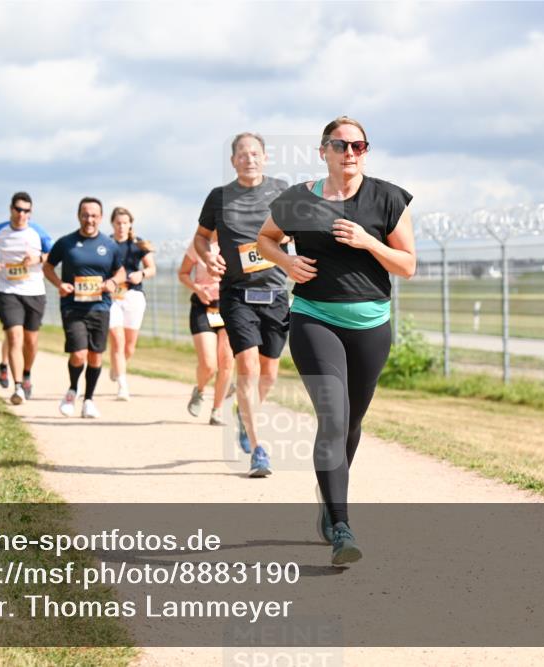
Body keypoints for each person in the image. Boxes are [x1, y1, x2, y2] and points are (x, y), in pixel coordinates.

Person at [258, 116, 416, 566]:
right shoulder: (298, 199)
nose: (350, 153)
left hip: (371, 324)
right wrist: (286, 262)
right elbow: (264, 239)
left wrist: (369, 242)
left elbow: (407, 265)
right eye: (340, 145)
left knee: (351, 423)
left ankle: (329, 496)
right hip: (315, 318)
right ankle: (342, 526)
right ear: (323, 151)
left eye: (358, 146)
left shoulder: (388, 198)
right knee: (332, 417)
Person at [194, 132, 289, 478]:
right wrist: (208, 257)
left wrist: (289, 235)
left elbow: (299, 229)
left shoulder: (281, 190)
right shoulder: (219, 197)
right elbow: (201, 237)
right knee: (247, 367)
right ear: (233, 160)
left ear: (265, 157)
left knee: (269, 374)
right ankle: (258, 448)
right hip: (236, 294)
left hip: (275, 293)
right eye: (242, 154)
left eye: (255, 153)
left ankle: (243, 413)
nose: (249, 159)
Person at [43, 197, 125, 419]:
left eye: (94, 216)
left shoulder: (110, 245)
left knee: (95, 357)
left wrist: (113, 282)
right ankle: (72, 391)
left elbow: (121, 272)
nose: (89, 220)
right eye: (85, 215)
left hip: (100, 307)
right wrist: (59, 284)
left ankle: (88, 400)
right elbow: (48, 267)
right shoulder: (66, 243)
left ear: (101, 217)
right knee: (79, 354)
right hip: (73, 307)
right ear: (79, 216)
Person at [0, 192, 53, 405]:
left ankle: (27, 373)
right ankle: (18, 387)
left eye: (26, 211)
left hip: (34, 291)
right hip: (7, 290)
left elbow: (53, 255)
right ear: (11, 209)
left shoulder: (38, 232)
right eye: (18, 209)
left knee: (30, 341)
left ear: (30, 212)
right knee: (14, 337)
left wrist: (37, 258)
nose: (22, 214)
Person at [178, 231, 233, 425]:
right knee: (209, 365)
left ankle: (217, 410)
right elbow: (183, 273)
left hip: (230, 306)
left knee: (226, 362)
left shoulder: (236, 241)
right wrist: (198, 289)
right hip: (204, 306)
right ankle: (200, 390)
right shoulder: (199, 245)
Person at [107, 206, 156, 401]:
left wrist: (141, 274)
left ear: (130, 224)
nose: (121, 226)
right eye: (118, 223)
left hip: (133, 296)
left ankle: (117, 367)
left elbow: (152, 268)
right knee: (117, 341)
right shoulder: (106, 244)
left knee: (129, 347)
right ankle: (122, 386)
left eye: (125, 223)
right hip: (112, 297)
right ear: (112, 224)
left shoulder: (138, 244)